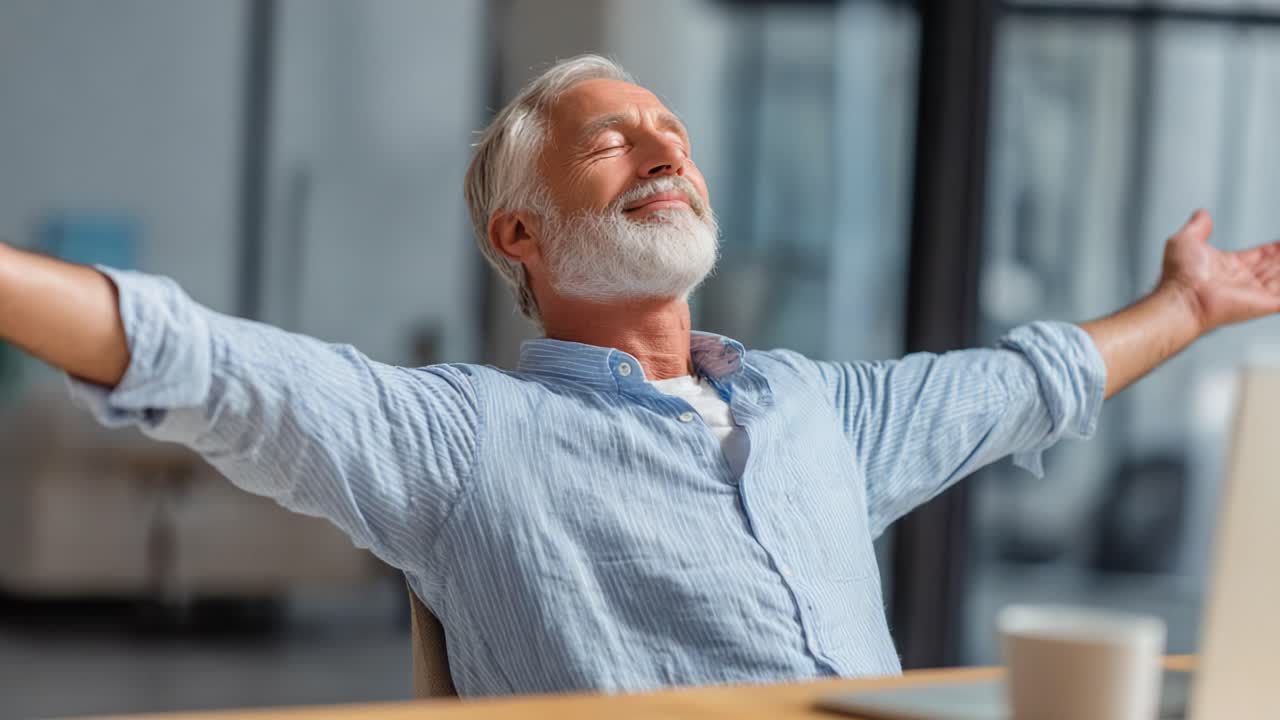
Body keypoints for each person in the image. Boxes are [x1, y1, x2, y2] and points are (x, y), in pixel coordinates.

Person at [2, 54, 1278, 697]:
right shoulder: (464, 439)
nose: (662, 148)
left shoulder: (818, 411)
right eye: (610, 143)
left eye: (671, 133)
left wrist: (1185, 304)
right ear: (520, 236)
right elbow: (206, 364)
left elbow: (1029, 381)